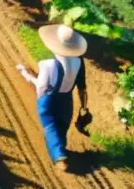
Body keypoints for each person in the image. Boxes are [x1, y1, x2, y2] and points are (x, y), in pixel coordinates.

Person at [16, 24, 89, 170]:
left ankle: (60, 157)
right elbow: (82, 88)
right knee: (62, 125)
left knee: (50, 127)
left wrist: (26, 74)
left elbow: (41, 87)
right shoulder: (79, 62)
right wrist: (84, 107)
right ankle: (60, 148)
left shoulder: (48, 64)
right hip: (66, 101)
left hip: (48, 99)